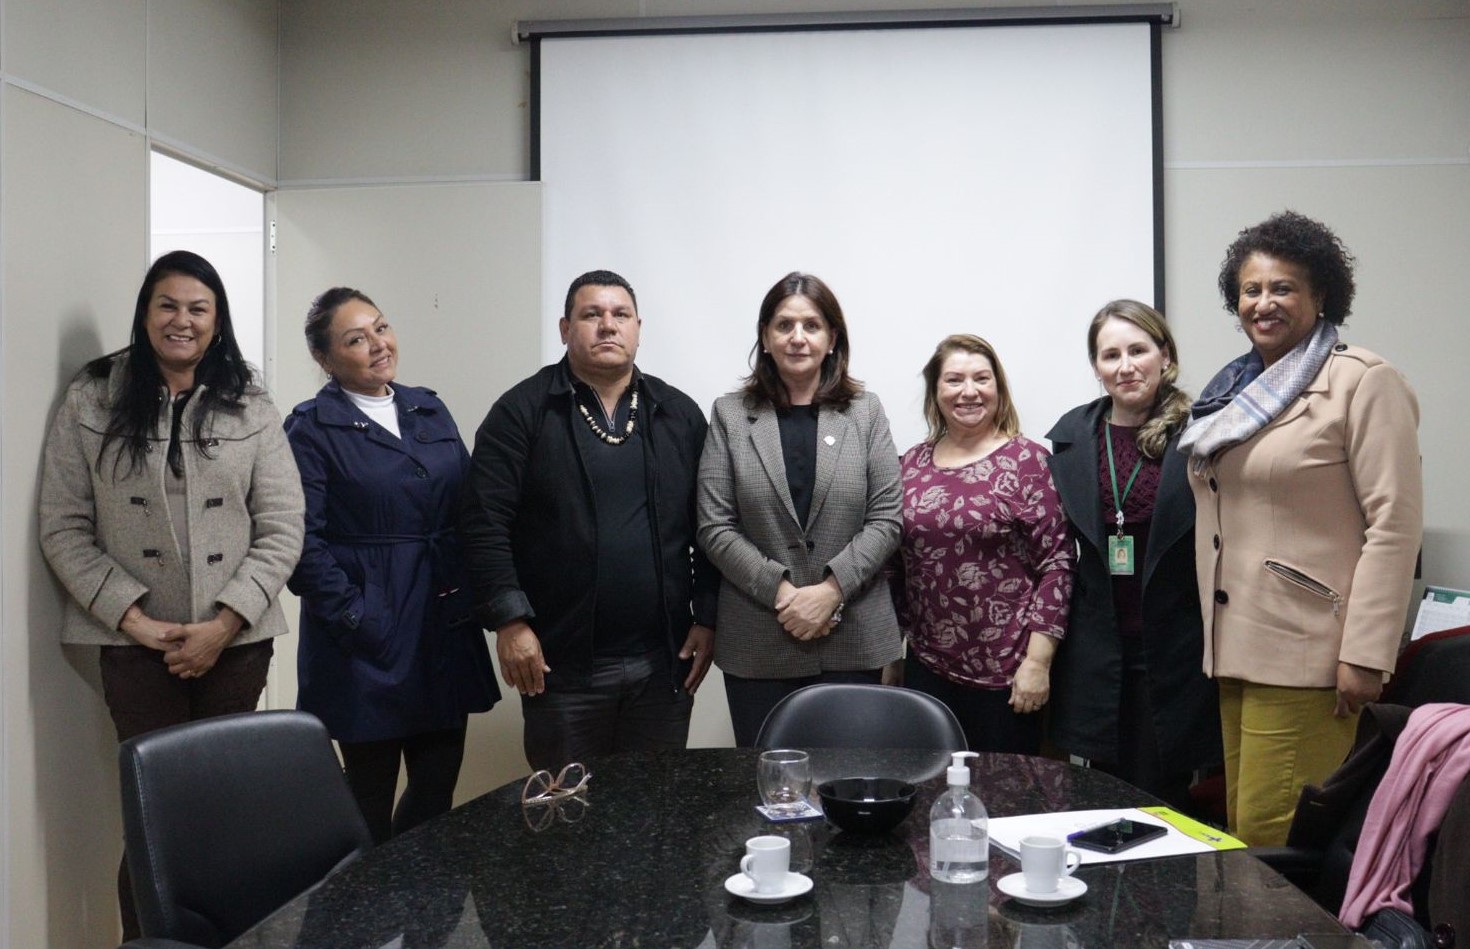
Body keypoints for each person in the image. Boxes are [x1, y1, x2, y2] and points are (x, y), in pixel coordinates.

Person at [38, 250, 304, 940]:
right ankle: (148, 939)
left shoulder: (248, 397)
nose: (181, 320)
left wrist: (224, 620)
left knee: (223, 808)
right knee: (156, 814)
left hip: (236, 641)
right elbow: (63, 526)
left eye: (198, 308)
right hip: (132, 644)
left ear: (217, 323)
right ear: (145, 311)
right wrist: (135, 619)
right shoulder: (92, 394)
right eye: (168, 304)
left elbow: (282, 524)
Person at [1181, 210, 1422, 846]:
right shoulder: (1233, 390)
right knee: (1244, 827)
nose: (1264, 303)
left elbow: (1394, 526)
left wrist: (1366, 654)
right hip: (1234, 648)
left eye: (1283, 287)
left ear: (1321, 296)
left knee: (1275, 837)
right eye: (1251, 289)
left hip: (1311, 652)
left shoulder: (1363, 382)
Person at [459, 270, 716, 772]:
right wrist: (510, 621)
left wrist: (707, 614)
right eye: (591, 315)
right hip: (560, 667)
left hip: (662, 665)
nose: (607, 326)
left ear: (638, 327)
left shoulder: (678, 414)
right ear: (564, 328)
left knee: (655, 814)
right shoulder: (522, 412)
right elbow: (482, 524)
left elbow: (710, 528)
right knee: (568, 821)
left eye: (620, 315)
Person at [284, 287, 500, 844]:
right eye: (357, 339)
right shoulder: (311, 428)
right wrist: (357, 616)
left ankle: (417, 918)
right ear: (326, 359)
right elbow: (300, 543)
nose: (378, 345)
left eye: (381, 327)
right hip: (367, 637)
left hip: (443, 621)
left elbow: (470, 508)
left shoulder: (428, 407)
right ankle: (364, 923)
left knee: (435, 795)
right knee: (366, 804)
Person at [697, 272, 903, 747]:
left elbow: (887, 517)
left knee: (852, 786)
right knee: (772, 788)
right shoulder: (730, 415)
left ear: (832, 339)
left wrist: (830, 591)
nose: (797, 337)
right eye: (784, 325)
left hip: (855, 639)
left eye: (811, 325)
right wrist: (785, 593)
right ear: (765, 339)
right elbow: (715, 526)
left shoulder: (865, 412)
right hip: (759, 641)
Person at [1045, 301, 1219, 812]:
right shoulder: (1071, 436)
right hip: (1098, 651)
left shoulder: (1204, 434)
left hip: (1175, 649)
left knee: (1163, 802)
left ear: (1165, 356)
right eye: (1110, 354)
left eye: (1138, 350)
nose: (1125, 366)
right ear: (1097, 366)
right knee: (1101, 799)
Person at [895, 334, 1073, 754]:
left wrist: (1038, 663)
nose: (969, 391)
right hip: (926, 669)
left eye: (981, 379)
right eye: (954, 380)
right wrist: (892, 658)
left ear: (999, 388)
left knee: (1008, 802)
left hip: (1009, 676)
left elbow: (1058, 565)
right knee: (930, 798)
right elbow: (895, 568)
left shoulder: (1029, 462)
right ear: (936, 391)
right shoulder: (911, 464)